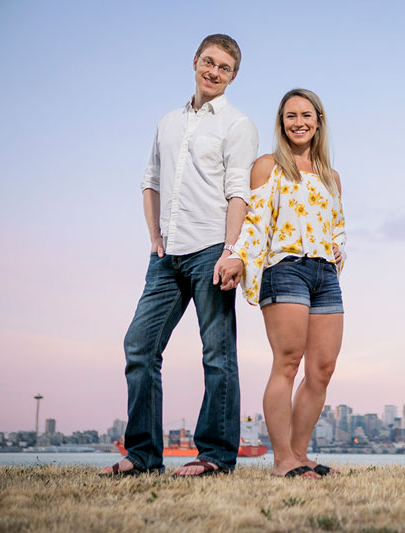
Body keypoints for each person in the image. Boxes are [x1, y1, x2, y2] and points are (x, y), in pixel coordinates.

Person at [100, 34, 258, 477]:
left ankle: (215, 456)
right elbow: (151, 180)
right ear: (195, 61)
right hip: (167, 256)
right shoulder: (168, 122)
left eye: (224, 68)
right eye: (209, 62)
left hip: (212, 248)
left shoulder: (237, 124)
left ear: (232, 77)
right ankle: (143, 456)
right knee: (139, 345)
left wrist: (232, 251)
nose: (214, 72)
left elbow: (238, 191)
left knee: (217, 354)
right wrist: (154, 235)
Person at [225, 88, 346, 478]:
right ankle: (282, 462)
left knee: (323, 368)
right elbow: (255, 223)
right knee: (288, 362)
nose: (299, 122)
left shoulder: (331, 176)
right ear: (282, 123)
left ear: (318, 121)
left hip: (325, 274)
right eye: (291, 116)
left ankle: (299, 453)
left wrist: (339, 250)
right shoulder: (267, 167)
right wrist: (237, 257)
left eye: (306, 115)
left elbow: (338, 228)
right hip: (285, 268)